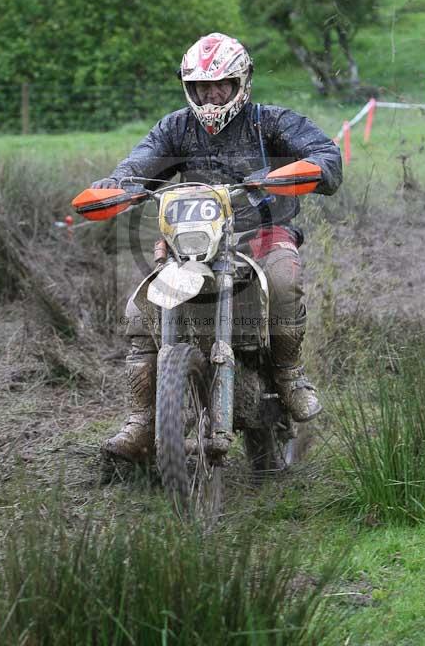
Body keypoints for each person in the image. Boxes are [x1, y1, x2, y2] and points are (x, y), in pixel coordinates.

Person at [92, 33, 343, 462]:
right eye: (201, 87)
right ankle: (141, 423)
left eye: (221, 85)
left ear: (241, 82)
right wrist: (120, 183)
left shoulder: (271, 122)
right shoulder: (175, 127)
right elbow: (141, 161)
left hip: (262, 233)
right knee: (141, 312)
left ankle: (288, 374)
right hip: (192, 240)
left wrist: (311, 168)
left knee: (283, 283)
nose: (211, 94)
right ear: (189, 88)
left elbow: (326, 154)